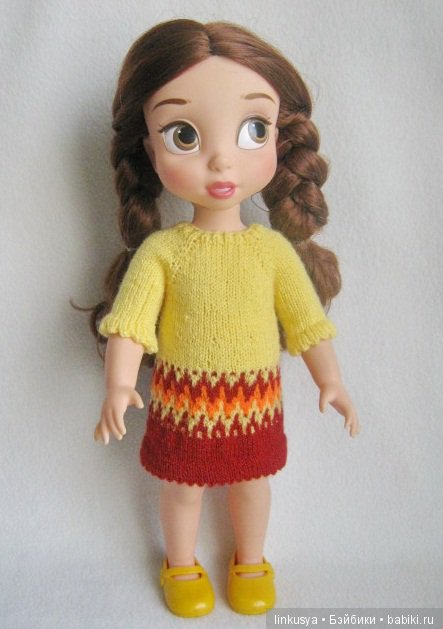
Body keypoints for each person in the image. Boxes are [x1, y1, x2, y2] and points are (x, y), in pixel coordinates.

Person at [90, 18, 360, 617]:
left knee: (253, 485)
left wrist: (331, 379)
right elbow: (130, 323)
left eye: (252, 130)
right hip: (182, 406)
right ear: (150, 149)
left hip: (254, 404)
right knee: (182, 490)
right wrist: (118, 385)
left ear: (278, 141)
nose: (220, 160)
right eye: (184, 135)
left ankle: (250, 559)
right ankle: (180, 563)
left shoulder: (271, 252)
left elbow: (306, 323)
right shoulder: (163, 252)